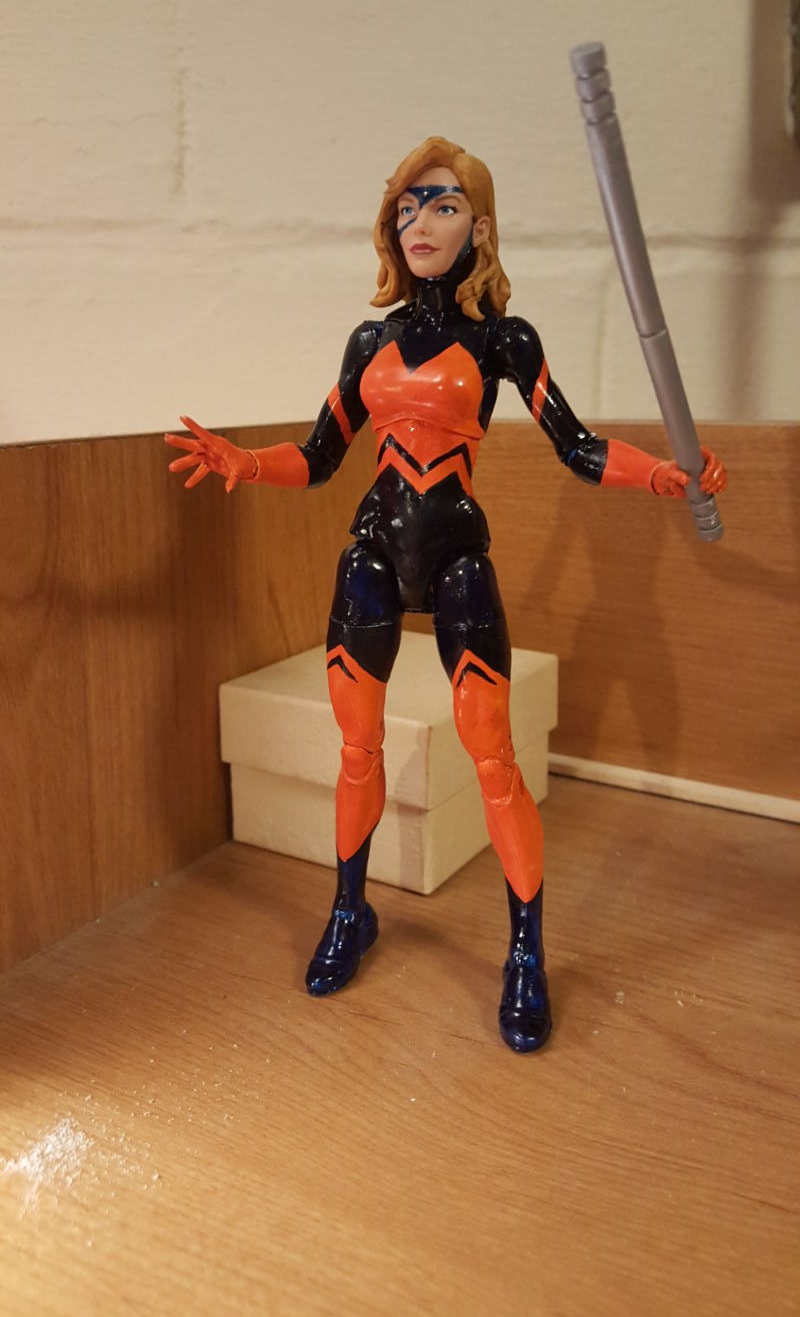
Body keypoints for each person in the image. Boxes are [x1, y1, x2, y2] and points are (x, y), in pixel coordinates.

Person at [166, 136, 727, 1054]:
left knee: (492, 757)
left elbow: (578, 446)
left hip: (459, 556)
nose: (419, 222)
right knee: (358, 746)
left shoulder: (504, 340)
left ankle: (525, 952)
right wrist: (245, 462)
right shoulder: (370, 341)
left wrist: (665, 476)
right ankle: (350, 911)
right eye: (406, 206)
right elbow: (318, 455)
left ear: (480, 225)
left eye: (442, 204)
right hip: (373, 553)